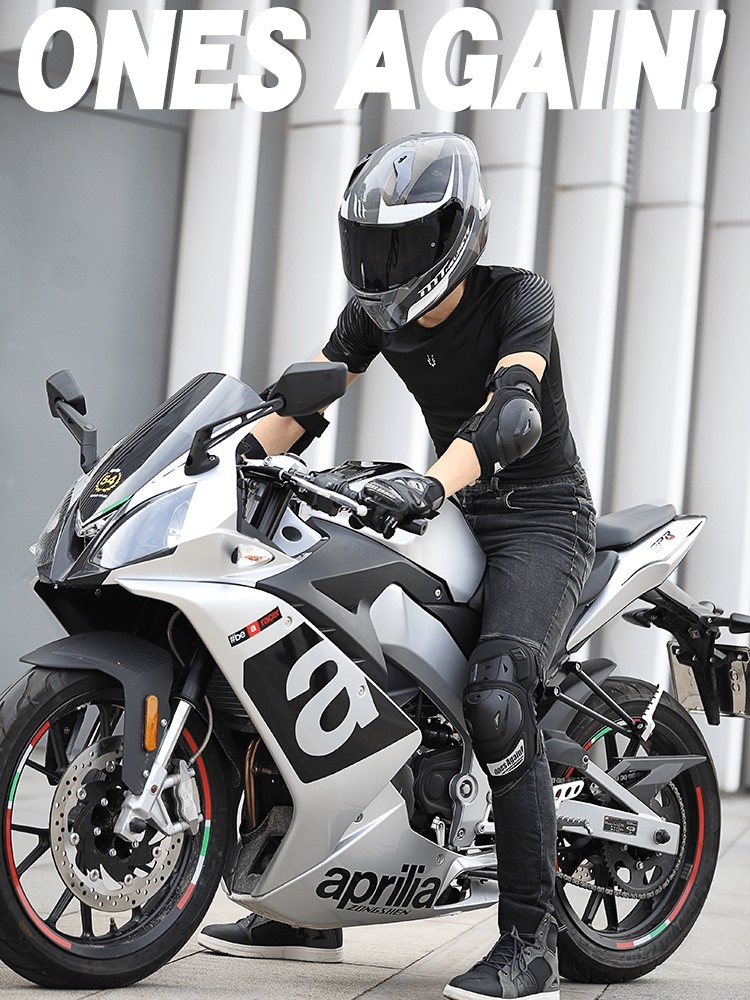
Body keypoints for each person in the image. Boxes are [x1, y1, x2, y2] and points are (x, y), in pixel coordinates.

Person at [199, 132, 596, 1000]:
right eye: (373, 246)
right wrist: (216, 469)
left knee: (496, 701)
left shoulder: (518, 296)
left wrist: (430, 483)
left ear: (455, 234)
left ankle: (533, 945)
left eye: (404, 245)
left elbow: (513, 412)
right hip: (450, 503)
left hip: (540, 516)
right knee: (303, 647)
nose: (385, 267)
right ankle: (304, 907)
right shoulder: (374, 315)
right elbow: (300, 408)